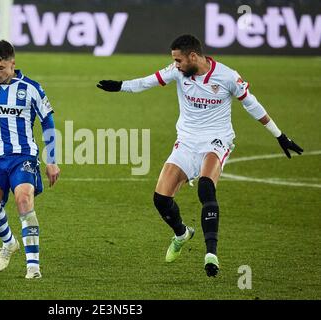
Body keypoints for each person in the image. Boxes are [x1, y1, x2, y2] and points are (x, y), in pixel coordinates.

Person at [97, 34, 303, 277]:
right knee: (160, 200)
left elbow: (252, 104)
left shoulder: (227, 76)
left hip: (216, 141)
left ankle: (211, 254)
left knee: (206, 188)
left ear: (193, 56)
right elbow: (148, 81)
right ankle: (182, 233)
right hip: (185, 142)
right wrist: (120, 86)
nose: (176, 65)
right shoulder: (178, 73)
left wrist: (279, 135)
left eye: (179, 60)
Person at [0, 40, 60, 279]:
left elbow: (48, 122)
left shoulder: (32, 89)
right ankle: (8, 243)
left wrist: (52, 159)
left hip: (23, 156)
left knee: (24, 199)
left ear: (12, 63)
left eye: (1, 68)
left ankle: (33, 267)